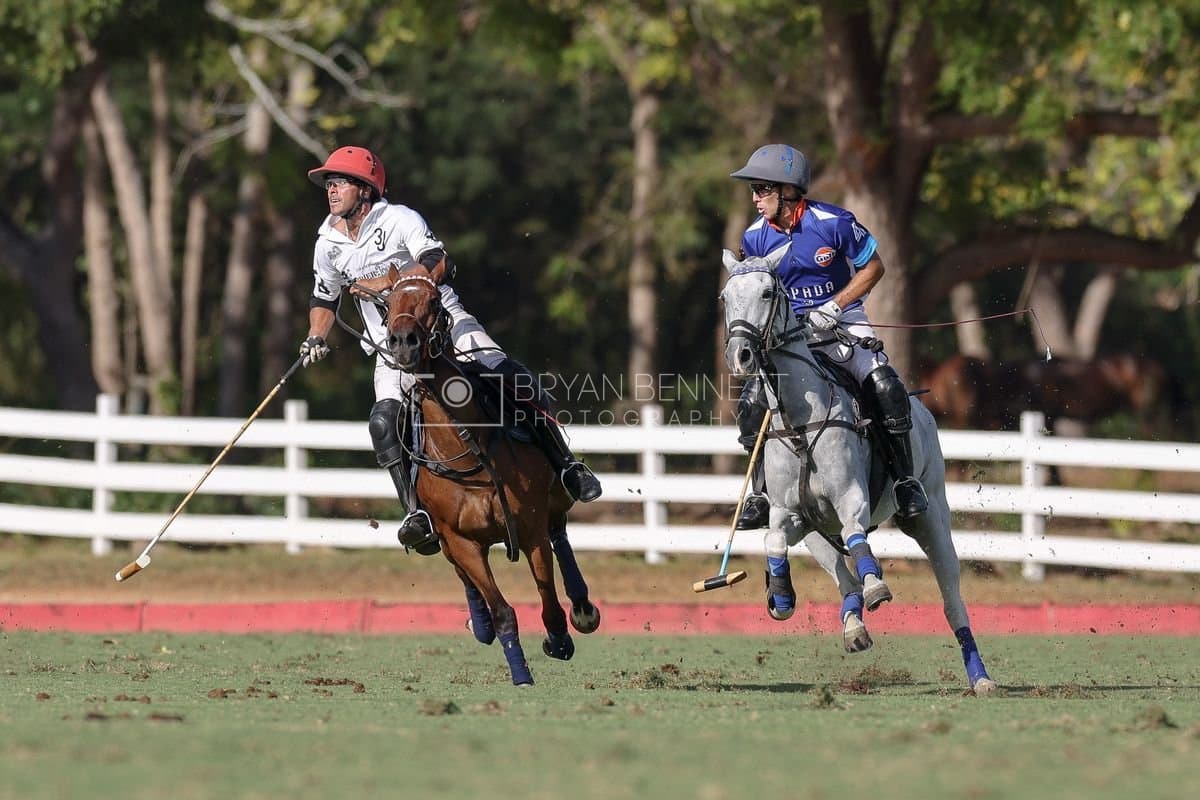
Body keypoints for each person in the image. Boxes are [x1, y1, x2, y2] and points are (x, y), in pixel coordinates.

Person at [299, 146, 601, 556]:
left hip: (444, 327)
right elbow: (325, 298)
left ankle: (566, 466)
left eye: (340, 183)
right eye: (329, 185)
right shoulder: (327, 242)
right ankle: (415, 512)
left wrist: (388, 286)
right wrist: (316, 336)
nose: (332, 191)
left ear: (366, 189)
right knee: (383, 423)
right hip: (393, 350)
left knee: (515, 379)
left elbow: (438, 261)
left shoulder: (400, 219)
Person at [728, 143, 928, 531]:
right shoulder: (753, 237)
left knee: (883, 383)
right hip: (786, 333)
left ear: (787, 191)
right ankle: (761, 492)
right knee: (752, 402)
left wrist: (835, 305)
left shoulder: (833, 222)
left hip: (842, 319)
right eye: (753, 190)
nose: (754, 199)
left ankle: (905, 482)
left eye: (761, 189)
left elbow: (874, 267)